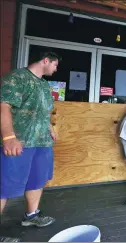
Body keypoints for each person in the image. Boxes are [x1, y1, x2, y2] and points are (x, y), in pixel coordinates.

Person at [0, 51, 61, 242]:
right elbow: (4, 107)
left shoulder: (44, 84)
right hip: (19, 142)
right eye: (55, 65)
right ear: (45, 61)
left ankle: (31, 216)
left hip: (41, 142)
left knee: (37, 179)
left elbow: (44, 111)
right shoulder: (17, 78)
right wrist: (9, 137)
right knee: (4, 185)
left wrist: (50, 128)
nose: (56, 68)